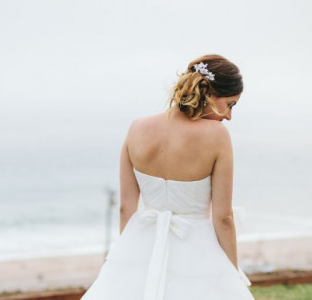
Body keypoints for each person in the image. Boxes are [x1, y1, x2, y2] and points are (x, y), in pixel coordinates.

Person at [80, 54, 255, 299]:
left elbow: (126, 207)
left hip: (142, 242)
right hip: (197, 251)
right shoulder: (217, 135)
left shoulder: (136, 127)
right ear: (209, 95)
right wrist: (232, 272)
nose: (229, 117)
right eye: (230, 104)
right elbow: (223, 217)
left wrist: (132, 255)